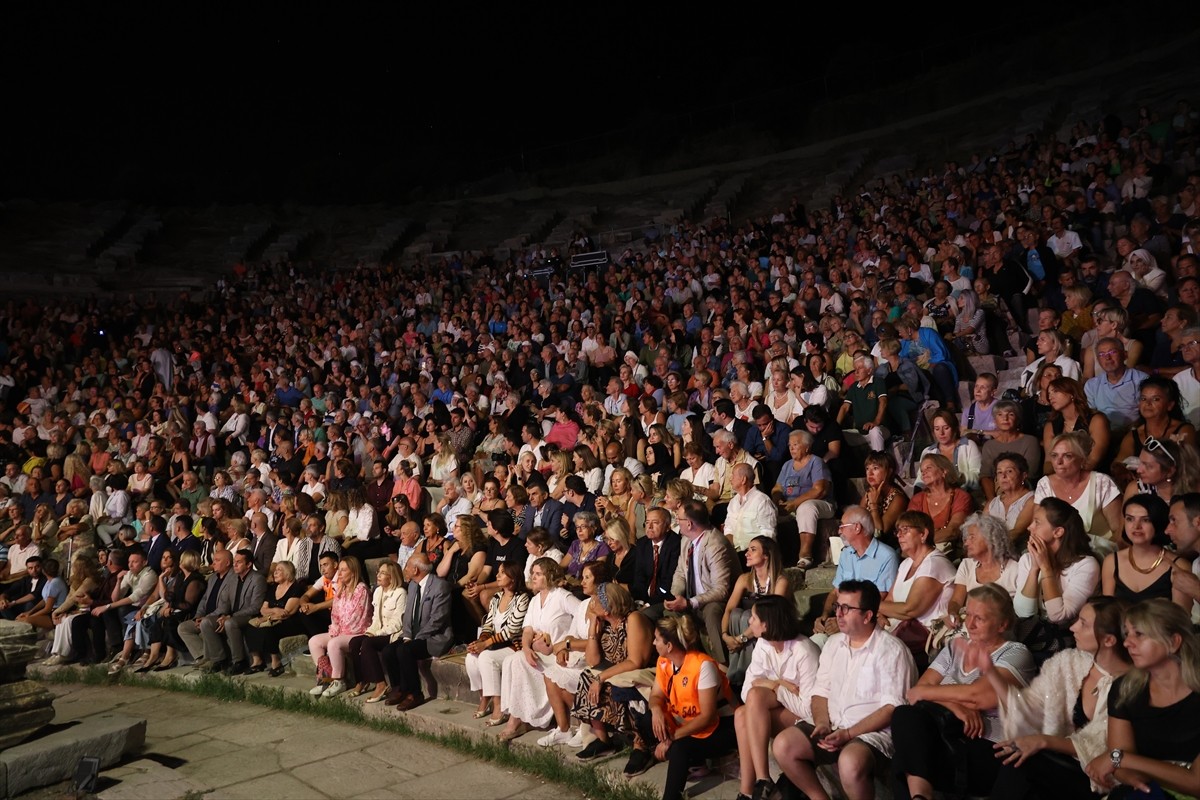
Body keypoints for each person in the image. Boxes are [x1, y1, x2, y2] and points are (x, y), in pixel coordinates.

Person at [772, 580, 917, 800]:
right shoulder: (834, 644)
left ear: (868, 616)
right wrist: (821, 722)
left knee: (850, 762)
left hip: (871, 735)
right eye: (838, 607)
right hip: (833, 725)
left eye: (846, 609)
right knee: (783, 745)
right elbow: (820, 692)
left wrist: (849, 734)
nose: (838, 614)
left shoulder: (891, 651)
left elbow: (892, 709)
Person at [890, 585, 1035, 800]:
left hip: (988, 748)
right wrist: (955, 706)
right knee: (904, 716)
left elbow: (979, 697)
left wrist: (936, 694)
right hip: (946, 737)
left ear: (1002, 624)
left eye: (980, 618)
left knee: (906, 757)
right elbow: (915, 693)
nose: (970, 624)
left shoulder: (1015, 653)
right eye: (968, 614)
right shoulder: (954, 648)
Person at [987, 597, 1132, 799]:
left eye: (1083, 623)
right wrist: (990, 672)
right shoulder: (1069, 662)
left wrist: (1043, 741)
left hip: (1098, 780)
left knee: (1026, 763)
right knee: (1011, 757)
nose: (1073, 628)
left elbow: (1105, 750)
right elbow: (1029, 707)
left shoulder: (1132, 686)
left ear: (1109, 640)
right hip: (1057, 762)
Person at [1084, 599, 1200, 798]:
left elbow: (1196, 783)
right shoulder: (1125, 689)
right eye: (1127, 633)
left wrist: (1119, 758)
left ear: (1173, 642)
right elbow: (1120, 762)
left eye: (1139, 634)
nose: (1127, 642)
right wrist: (1128, 772)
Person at [620, 615, 736, 799]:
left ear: (669, 646)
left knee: (680, 747)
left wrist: (670, 739)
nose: (653, 643)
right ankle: (694, 763)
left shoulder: (702, 665)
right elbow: (656, 695)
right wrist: (657, 710)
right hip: (689, 720)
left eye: (657, 639)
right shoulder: (664, 661)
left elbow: (707, 717)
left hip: (722, 726)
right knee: (648, 719)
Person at [732, 595, 820, 800]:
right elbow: (747, 690)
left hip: (809, 721)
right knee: (741, 713)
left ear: (766, 624)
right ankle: (749, 789)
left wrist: (774, 687)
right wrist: (778, 684)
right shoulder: (763, 645)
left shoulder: (804, 651)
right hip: (784, 709)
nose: (748, 621)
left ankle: (762, 783)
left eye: (753, 618)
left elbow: (809, 710)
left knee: (753, 702)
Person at [495, 557, 581, 741]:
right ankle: (517, 716)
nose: (533, 577)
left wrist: (567, 642)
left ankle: (515, 722)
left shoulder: (562, 597)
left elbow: (582, 616)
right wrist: (527, 648)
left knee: (517, 661)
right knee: (514, 658)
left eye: (538, 574)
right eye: (532, 573)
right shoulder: (535, 601)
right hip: (541, 652)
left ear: (549, 575)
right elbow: (527, 629)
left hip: (559, 654)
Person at [567, 581, 655, 760]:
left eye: (596, 600)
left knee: (611, 685)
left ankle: (641, 746)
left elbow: (636, 661)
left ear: (608, 606)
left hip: (639, 673)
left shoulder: (633, 619)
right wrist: (592, 627)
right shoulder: (605, 623)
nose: (591, 604)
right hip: (618, 672)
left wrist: (602, 678)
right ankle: (603, 741)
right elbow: (593, 661)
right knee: (586, 677)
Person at [1013, 499, 1102, 666]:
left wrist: (1046, 569)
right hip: (1033, 637)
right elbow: (1023, 613)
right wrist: (1034, 569)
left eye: (1037, 523)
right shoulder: (1027, 559)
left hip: (1068, 642)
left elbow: (1058, 616)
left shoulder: (1086, 565)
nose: (1029, 527)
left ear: (1058, 532)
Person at [810, 506, 900, 648]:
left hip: (866, 625)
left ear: (857, 528)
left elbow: (878, 599)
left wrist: (843, 623)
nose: (839, 531)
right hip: (841, 618)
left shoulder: (886, 556)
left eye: (842, 527)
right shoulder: (846, 554)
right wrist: (825, 616)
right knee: (814, 643)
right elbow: (835, 592)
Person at [877, 511, 956, 670]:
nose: (899, 535)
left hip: (924, 637)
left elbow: (910, 609)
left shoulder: (934, 563)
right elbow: (890, 600)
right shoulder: (906, 563)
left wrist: (871, 605)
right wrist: (879, 613)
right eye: (897, 531)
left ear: (923, 534)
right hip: (901, 628)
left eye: (905, 529)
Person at [664, 500, 739, 665]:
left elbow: (721, 590)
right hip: (693, 599)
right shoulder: (686, 540)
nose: (677, 522)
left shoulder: (715, 545)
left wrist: (690, 603)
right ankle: (685, 663)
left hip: (716, 600)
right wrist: (675, 596)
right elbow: (680, 572)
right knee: (668, 615)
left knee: (712, 612)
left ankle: (723, 666)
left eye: (679, 519)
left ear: (689, 524)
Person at [381, 552, 453, 709]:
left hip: (433, 637)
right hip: (413, 635)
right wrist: (407, 635)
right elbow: (408, 614)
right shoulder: (413, 585)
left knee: (405, 651)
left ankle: (415, 693)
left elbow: (437, 620)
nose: (404, 569)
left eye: (407, 566)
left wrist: (416, 638)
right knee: (388, 651)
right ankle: (399, 688)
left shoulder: (440, 586)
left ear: (415, 570)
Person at [1035, 432, 1123, 553]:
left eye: (1067, 456)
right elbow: (1037, 528)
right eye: (1054, 455)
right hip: (1057, 556)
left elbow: (1119, 531)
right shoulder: (1044, 485)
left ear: (1082, 459)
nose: (1059, 462)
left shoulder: (1102, 482)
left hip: (1098, 554)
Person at [720, 536, 790, 687]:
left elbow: (771, 616)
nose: (747, 553)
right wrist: (725, 635)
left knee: (747, 616)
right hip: (748, 631)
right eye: (747, 549)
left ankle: (742, 675)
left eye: (753, 549)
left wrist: (740, 639)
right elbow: (729, 609)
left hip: (772, 628)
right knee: (737, 613)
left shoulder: (780, 581)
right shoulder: (745, 579)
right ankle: (738, 674)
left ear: (766, 555)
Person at [466, 562, 530, 721]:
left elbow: (513, 630)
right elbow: (488, 624)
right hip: (495, 644)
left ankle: (498, 704)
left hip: (514, 646)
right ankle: (484, 698)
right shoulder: (497, 597)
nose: (497, 576)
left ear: (513, 578)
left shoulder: (522, 598)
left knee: (486, 658)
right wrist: (480, 641)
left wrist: (485, 645)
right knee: (471, 658)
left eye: (502, 573)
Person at [1102, 494, 1187, 607]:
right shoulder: (1111, 561)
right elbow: (1107, 615)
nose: (1136, 526)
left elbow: (1181, 620)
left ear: (1159, 522)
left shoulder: (1179, 566)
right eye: (1130, 519)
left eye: (1146, 520)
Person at [307, 557, 370, 699]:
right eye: (339, 569)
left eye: (343, 570)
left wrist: (339, 632)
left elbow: (356, 616)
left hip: (357, 632)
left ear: (353, 572)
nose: (339, 573)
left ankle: (339, 680)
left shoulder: (361, 589)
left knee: (334, 643)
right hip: (341, 631)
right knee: (314, 641)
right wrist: (335, 629)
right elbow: (335, 613)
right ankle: (326, 678)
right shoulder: (341, 589)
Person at [944, 513, 1020, 628]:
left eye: (972, 537)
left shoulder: (1015, 569)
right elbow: (956, 601)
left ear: (991, 538)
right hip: (968, 627)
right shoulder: (966, 565)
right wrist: (953, 613)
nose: (966, 543)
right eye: (966, 538)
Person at [771, 430, 833, 569]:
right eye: (789, 445)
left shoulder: (816, 462)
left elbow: (819, 490)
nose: (791, 448)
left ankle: (805, 554)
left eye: (795, 444)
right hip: (791, 505)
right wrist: (777, 501)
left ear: (807, 446)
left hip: (820, 504)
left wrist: (794, 504)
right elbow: (777, 488)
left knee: (806, 507)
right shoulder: (787, 465)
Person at [348, 561, 407, 701]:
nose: (378, 575)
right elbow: (375, 619)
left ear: (392, 577)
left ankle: (381, 684)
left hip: (393, 634)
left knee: (368, 643)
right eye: (378, 572)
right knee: (355, 642)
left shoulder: (400, 593)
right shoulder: (378, 591)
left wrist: (376, 634)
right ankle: (361, 681)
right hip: (378, 631)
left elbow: (397, 624)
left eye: (382, 573)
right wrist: (371, 631)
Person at [244, 560, 307, 676]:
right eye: (275, 570)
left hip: (290, 622)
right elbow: (263, 609)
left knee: (269, 630)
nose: (275, 573)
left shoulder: (296, 588)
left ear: (288, 572)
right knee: (250, 626)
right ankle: (257, 661)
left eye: (279, 570)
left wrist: (266, 618)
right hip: (272, 619)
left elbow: (286, 613)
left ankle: (276, 661)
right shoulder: (273, 588)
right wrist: (274, 611)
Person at [907, 454, 974, 553]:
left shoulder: (960, 496)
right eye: (922, 471)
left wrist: (919, 541)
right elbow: (908, 530)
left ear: (943, 471)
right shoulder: (917, 499)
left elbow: (953, 531)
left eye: (928, 468)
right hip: (918, 551)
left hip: (951, 552)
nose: (923, 473)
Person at [919, 410, 982, 492]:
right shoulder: (928, 452)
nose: (941, 433)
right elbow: (920, 481)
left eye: (946, 428)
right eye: (937, 429)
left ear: (954, 428)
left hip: (967, 494)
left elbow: (978, 475)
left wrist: (958, 478)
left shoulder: (968, 446)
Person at [985, 452, 1037, 543]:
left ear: (1023, 475)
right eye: (999, 472)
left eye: (1009, 471)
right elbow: (980, 530)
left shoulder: (1032, 500)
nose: (1003, 476)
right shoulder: (992, 503)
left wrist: (989, 545)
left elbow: (1018, 532)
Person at [859, 451, 908, 538]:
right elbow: (858, 522)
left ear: (889, 472)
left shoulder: (898, 498)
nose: (870, 473)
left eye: (875, 468)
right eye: (867, 469)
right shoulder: (868, 494)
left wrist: (874, 505)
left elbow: (880, 533)